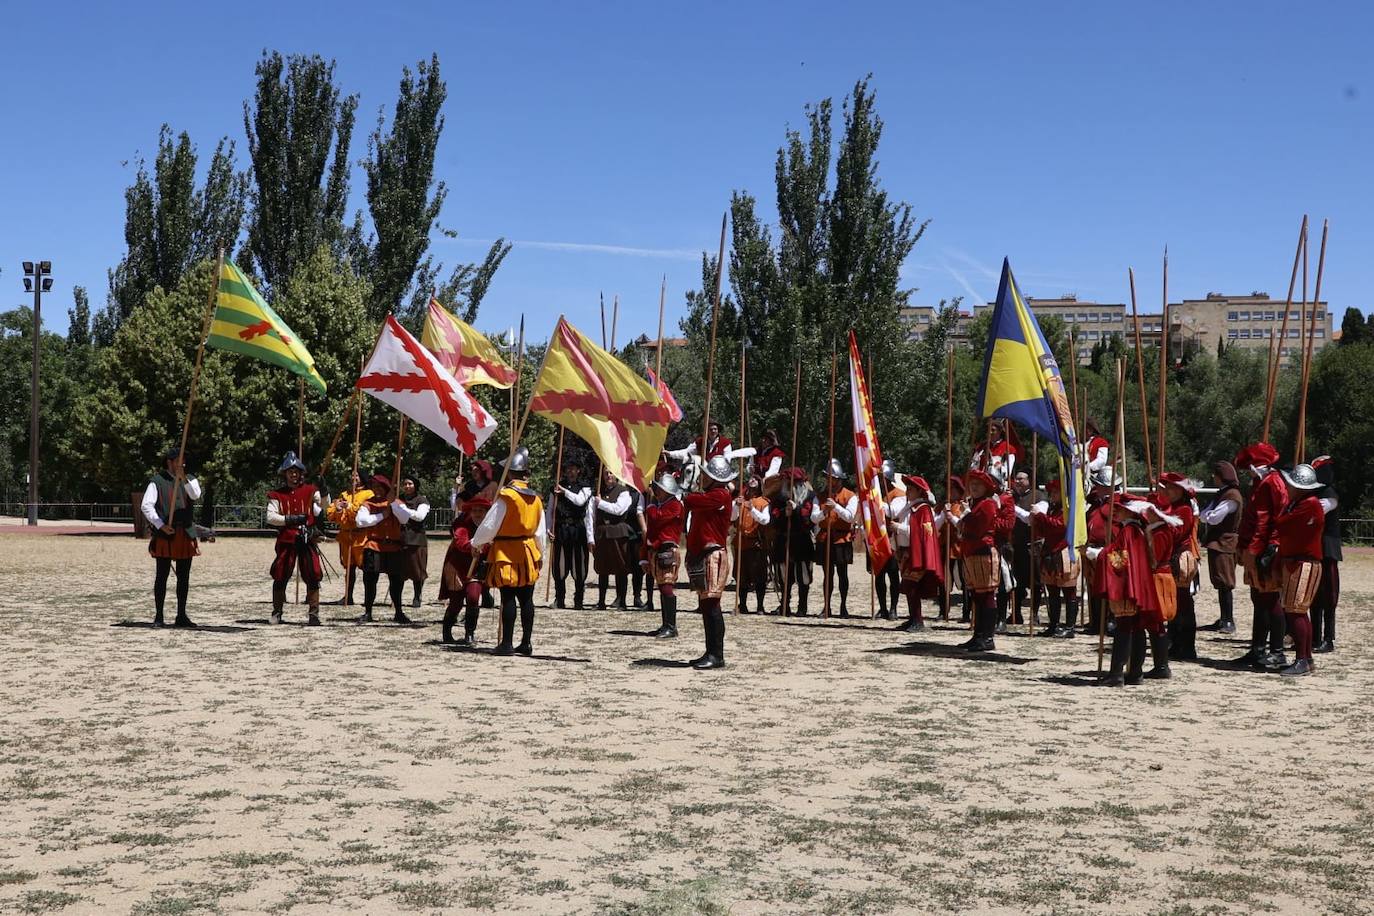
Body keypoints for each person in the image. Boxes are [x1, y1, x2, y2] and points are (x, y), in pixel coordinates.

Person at [471, 447, 546, 656]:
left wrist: (476, 542)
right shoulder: (536, 498)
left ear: (511, 473)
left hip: (507, 551)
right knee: (527, 599)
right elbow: (540, 530)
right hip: (529, 549)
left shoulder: (507, 496)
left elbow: (490, 525)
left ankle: (506, 644)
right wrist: (541, 554)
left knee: (508, 597)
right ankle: (526, 643)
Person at [1230, 442, 1289, 670]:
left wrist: (1253, 550)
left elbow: (1264, 522)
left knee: (1270, 599)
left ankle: (1277, 651)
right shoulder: (1261, 482)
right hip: (1257, 546)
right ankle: (1257, 649)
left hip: (1267, 548)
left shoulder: (1270, 483)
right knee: (1259, 599)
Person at [1096, 498, 1164, 687]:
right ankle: (1135, 672)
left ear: (1132, 512)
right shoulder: (1137, 530)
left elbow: (1119, 559)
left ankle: (1117, 674)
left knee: (1125, 626)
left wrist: (1100, 554)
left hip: (1128, 586)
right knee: (1136, 627)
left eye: (1120, 509)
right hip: (1138, 584)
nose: (1115, 511)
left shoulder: (1128, 531)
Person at [684, 455, 737, 669]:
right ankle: (710, 651)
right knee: (706, 605)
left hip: (713, 554)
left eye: (706, 475)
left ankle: (717, 655)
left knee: (712, 605)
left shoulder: (720, 495)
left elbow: (689, 501)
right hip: (704, 554)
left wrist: (691, 491)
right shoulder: (711, 494)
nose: (703, 478)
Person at [141, 446, 203, 628]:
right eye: (178, 461)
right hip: (166, 533)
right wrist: (160, 524)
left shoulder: (190, 479)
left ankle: (181, 615)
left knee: (184, 577)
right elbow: (147, 506)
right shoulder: (157, 481)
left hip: (185, 531)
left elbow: (195, 495)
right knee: (162, 575)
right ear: (170, 462)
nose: (182, 463)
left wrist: (183, 478)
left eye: (183, 460)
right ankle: (159, 616)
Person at [1273, 463, 1326, 677]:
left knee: (1296, 612)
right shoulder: (1299, 504)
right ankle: (1306, 659)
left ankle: (1302, 659)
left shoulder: (1309, 505)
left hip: (1304, 562)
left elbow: (1282, 524)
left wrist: (1282, 507)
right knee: (1297, 612)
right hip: (1295, 560)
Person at [265, 452, 324, 625]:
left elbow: (322, 508)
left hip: (307, 538)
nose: (293, 474)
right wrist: (290, 519)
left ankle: (314, 614)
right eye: (290, 471)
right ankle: (277, 612)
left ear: (300, 473)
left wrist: (324, 490)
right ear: (285, 473)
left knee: (313, 573)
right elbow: (271, 517)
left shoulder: (310, 491)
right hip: (287, 539)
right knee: (281, 574)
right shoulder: (277, 494)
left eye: (296, 471)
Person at [948, 468, 1001, 652]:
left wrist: (966, 516)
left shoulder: (987, 504)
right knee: (976, 596)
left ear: (986, 487)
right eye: (972, 484)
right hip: (971, 551)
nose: (974, 486)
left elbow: (977, 527)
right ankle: (978, 635)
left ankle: (987, 637)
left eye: (978, 484)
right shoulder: (975, 503)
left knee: (986, 595)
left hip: (983, 551)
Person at [353, 473, 413, 625]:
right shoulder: (368, 503)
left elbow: (405, 518)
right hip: (374, 545)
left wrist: (392, 504)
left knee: (396, 582)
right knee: (370, 580)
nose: (377, 490)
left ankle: (398, 612)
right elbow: (361, 521)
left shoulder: (397, 502)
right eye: (374, 487)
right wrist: (382, 515)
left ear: (386, 488)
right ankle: (368, 612)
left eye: (380, 487)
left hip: (393, 547)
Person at [1027, 479, 1079, 638]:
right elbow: (1045, 530)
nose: (1052, 495)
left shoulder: (1067, 509)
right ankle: (1053, 624)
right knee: (1053, 591)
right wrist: (1035, 520)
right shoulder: (1051, 509)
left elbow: (1059, 526)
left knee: (1069, 591)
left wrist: (1041, 516)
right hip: (1050, 552)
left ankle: (1070, 627)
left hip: (1064, 551)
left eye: (1055, 492)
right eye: (1051, 493)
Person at [890, 474, 943, 632]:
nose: (907, 492)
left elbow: (922, 532)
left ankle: (918, 620)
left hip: (916, 553)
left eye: (911, 489)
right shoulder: (910, 508)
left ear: (920, 491)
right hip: (906, 552)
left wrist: (898, 528)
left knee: (912, 585)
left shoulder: (924, 509)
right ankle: (912, 618)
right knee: (908, 586)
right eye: (907, 488)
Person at [1158, 473, 1200, 663]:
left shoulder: (1183, 510)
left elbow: (1175, 532)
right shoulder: (1173, 507)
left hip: (1180, 558)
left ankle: (1187, 646)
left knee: (1183, 603)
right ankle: (1175, 642)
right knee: (1175, 602)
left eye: (1171, 488)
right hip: (1172, 557)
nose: (1167, 491)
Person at [438, 495, 490, 646]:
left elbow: (492, 544)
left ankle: (469, 633)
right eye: (475, 510)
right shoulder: (462, 524)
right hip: (457, 565)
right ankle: (447, 631)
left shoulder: (491, 527)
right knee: (456, 602)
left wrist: (485, 547)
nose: (478, 513)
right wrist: (471, 547)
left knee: (473, 598)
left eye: (481, 510)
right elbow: (460, 541)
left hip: (476, 568)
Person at [1199, 460, 1243, 634]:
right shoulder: (1222, 494)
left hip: (1225, 542)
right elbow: (1206, 514)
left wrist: (1206, 516)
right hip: (1218, 542)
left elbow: (1213, 517)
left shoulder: (1231, 496)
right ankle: (1223, 618)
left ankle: (1229, 620)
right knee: (1219, 580)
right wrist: (1206, 515)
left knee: (1225, 582)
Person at [813, 459, 859, 617]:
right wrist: (824, 511)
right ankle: (827, 606)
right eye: (827, 478)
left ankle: (843, 606)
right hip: (825, 538)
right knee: (828, 575)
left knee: (842, 574)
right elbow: (814, 518)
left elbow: (850, 517)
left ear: (839, 479)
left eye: (832, 478)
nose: (829, 481)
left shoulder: (850, 496)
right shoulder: (820, 496)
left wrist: (836, 507)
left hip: (841, 539)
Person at [642, 474, 684, 638]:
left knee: (666, 586)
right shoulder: (661, 504)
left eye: (659, 488)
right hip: (657, 549)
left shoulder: (675, 505)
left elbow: (657, 518)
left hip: (667, 548)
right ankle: (666, 624)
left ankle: (671, 626)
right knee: (661, 586)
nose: (656, 491)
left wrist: (651, 506)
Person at [771, 468, 817, 615]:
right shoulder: (779, 498)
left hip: (801, 540)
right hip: (783, 539)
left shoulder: (810, 496)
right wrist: (785, 513)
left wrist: (796, 510)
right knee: (784, 576)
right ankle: (785, 605)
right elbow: (774, 517)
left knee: (803, 576)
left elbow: (809, 519)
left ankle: (802, 607)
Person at [549, 459, 592, 609]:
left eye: (573, 469)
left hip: (577, 530)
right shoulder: (555, 488)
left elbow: (580, 502)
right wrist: (550, 529)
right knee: (559, 565)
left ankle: (578, 599)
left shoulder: (585, 488)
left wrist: (564, 492)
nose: (570, 471)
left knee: (578, 565)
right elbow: (550, 511)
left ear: (578, 470)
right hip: (561, 529)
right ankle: (559, 598)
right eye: (568, 469)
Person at [589, 469, 635, 610]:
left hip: (618, 533)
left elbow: (618, 509)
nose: (609, 476)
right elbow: (591, 516)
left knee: (621, 568)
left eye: (611, 473)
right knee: (602, 568)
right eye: (606, 473)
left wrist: (601, 503)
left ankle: (622, 602)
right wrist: (590, 537)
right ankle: (601, 601)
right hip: (602, 533)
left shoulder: (623, 492)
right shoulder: (598, 492)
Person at [326, 469, 372, 606]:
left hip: (361, 536)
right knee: (349, 568)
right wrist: (339, 509)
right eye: (352, 475)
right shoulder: (344, 494)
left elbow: (363, 513)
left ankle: (368, 598)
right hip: (346, 536)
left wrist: (351, 507)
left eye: (356, 475)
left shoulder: (368, 494)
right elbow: (332, 514)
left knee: (365, 568)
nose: (354, 477)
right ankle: (348, 596)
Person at [1309, 456, 1341, 653]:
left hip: (1327, 549)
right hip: (1316, 548)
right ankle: (1314, 637)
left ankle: (1328, 639)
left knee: (1328, 597)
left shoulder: (1329, 494)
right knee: (1314, 596)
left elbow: (1316, 513)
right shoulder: (1317, 492)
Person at [734, 475, 772, 613]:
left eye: (755, 479)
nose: (752, 480)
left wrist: (752, 509)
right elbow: (732, 517)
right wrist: (736, 507)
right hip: (741, 543)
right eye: (750, 479)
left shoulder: (763, 502)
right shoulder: (740, 500)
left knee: (759, 577)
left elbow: (765, 520)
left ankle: (760, 606)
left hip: (757, 544)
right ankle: (742, 605)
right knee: (741, 577)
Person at [1009, 469, 1041, 626]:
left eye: (1022, 479)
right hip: (1016, 545)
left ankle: (1034, 615)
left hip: (1032, 546)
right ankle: (1016, 613)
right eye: (1017, 479)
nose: (1018, 481)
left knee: (1035, 582)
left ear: (1029, 480)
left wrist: (1013, 508)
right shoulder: (1012, 496)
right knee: (1015, 583)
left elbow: (1031, 519)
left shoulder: (1038, 496)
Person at [874, 460, 903, 620]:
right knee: (879, 575)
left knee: (893, 575)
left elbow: (893, 511)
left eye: (883, 478)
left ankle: (893, 608)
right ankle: (883, 608)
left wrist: (876, 501)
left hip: (892, 540)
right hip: (877, 540)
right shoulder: (875, 493)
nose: (881, 480)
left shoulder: (898, 494)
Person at [398, 475, 430, 607]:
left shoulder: (422, 500)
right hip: (400, 538)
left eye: (410, 484)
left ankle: (417, 596)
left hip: (416, 539)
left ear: (415, 485)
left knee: (417, 570)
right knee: (399, 571)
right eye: (405, 484)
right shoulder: (399, 498)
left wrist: (404, 509)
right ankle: (397, 598)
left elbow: (419, 516)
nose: (407, 486)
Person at [665, 421, 732, 463]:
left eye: (715, 429)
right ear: (707, 431)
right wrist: (670, 454)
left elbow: (727, 460)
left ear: (718, 430)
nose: (713, 431)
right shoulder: (700, 441)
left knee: (731, 486)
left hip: (718, 474)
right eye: (711, 429)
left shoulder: (725, 443)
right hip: (701, 473)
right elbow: (687, 452)